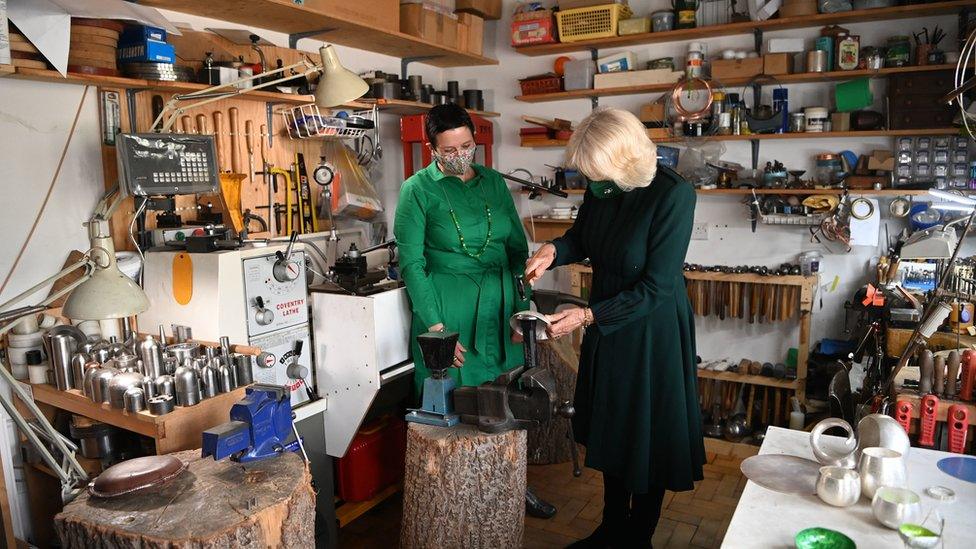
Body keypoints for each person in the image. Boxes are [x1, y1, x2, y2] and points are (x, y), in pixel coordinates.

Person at [524, 108, 705, 548]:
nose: (593, 185)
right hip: (609, 318)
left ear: (625, 161)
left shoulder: (673, 196)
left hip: (651, 326)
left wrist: (588, 316)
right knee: (612, 424)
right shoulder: (602, 185)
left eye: (598, 176)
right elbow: (583, 237)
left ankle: (638, 535)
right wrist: (553, 249)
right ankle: (611, 528)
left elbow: (658, 286)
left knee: (645, 432)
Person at [394, 104, 556, 519]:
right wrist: (437, 329)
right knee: (453, 406)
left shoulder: (493, 184)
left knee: (505, 399)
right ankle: (454, 506)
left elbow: (518, 250)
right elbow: (413, 265)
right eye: (449, 149)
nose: (460, 155)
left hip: (502, 301)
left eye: (467, 145)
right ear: (432, 148)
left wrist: (522, 313)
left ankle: (512, 487)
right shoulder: (417, 190)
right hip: (448, 308)